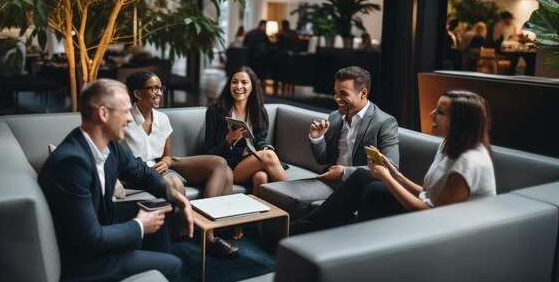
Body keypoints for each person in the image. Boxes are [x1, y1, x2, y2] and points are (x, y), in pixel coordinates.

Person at [38, 79, 194, 282]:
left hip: (101, 221)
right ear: (103, 114)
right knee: (173, 265)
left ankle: (156, 267)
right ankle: (161, 269)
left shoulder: (110, 146)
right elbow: (88, 240)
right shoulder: (71, 163)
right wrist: (139, 225)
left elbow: (143, 174)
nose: (131, 118)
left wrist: (178, 200)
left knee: (157, 211)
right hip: (81, 259)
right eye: (126, 111)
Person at [292, 90, 496, 234]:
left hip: (449, 230)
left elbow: (437, 215)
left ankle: (316, 233)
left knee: (375, 192)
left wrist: (388, 179)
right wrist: (395, 174)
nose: (432, 114)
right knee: (365, 177)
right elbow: (427, 193)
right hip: (431, 214)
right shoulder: (449, 145)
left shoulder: (469, 162)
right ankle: (315, 231)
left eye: (440, 112)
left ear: (460, 122)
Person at [121, 72, 238, 257]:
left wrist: (166, 163)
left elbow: (167, 155)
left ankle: (208, 229)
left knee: (220, 163)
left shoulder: (162, 119)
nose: (159, 93)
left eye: (161, 88)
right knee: (174, 183)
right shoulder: (124, 120)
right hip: (138, 173)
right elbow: (120, 160)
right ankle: (206, 238)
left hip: (162, 166)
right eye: (154, 88)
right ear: (137, 94)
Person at [297, 66, 399, 207]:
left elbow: (391, 167)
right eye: (335, 92)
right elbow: (323, 159)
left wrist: (344, 172)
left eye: (343, 94)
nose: (337, 98)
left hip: (359, 187)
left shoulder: (385, 122)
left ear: (363, 93)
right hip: (331, 181)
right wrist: (317, 138)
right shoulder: (334, 117)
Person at [204, 66, 288, 198]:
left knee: (261, 177)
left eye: (244, 82)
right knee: (269, 156)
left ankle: (258, 218)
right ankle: (294, 197)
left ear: (252, 86)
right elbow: (208, 152)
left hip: (251, 162)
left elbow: (260, 140)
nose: (239, 86)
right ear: (229, 85)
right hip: (229, 166)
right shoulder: (215, 111)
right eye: (234, 82)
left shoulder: (259, 111)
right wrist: (227, 141)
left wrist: (265, 146)